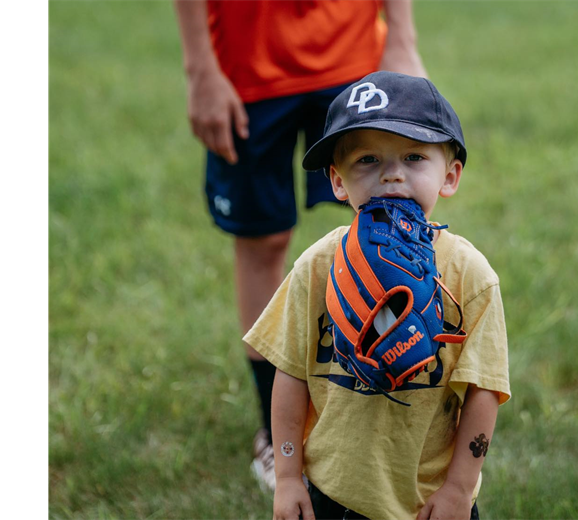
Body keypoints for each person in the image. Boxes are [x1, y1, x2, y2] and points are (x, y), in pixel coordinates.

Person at [172, 0, 427, 492]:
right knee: (263, 240)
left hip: (353, 51)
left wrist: (402, 36)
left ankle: (396, 405)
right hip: (248, 62)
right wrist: (199, 66)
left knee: (388, 218)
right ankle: (275, 431)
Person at [245, 72, 511, 520]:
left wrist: (459, 491)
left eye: (413, 156)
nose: (391, 174)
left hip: (426, 497)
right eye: (367, 159)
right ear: (338, 181)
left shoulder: (470, 275)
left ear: (449, 175)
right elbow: (289, 374)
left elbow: (484, 391)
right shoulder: (317, 265)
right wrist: (289, 476)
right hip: (331, 492)